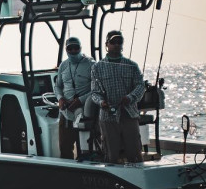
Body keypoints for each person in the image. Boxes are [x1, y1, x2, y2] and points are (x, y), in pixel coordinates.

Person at [90, 30, 146, 163]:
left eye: (119, 42)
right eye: (113, 42)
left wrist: (130, 97)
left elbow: (140, 86)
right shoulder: (97, 67)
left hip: (129, 113)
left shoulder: (132, 65)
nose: (116, 45)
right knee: (111, 154)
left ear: (122, 44)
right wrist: (102, 102)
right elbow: (95, 92)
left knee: (135, 153)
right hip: (108, 116)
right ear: (106, 44)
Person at [54, 36, 98, 159]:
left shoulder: (91, 64)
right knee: (64, 145)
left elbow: (97, 89)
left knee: (82, 141)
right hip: (66, 112)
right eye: (70, 48)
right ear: (66, 49)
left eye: (76, 47)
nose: (73, 51)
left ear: (80, 48)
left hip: (82, 112)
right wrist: (60, 98)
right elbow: (57, 86)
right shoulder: (63, 65)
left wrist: (80, 100)